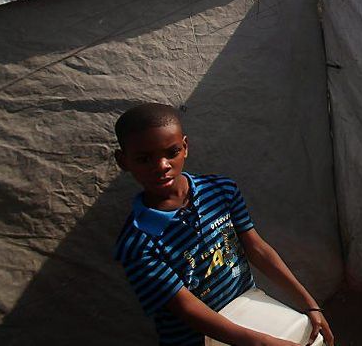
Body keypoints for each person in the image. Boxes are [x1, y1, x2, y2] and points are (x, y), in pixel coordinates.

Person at [112, 103, 335, 346]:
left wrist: (310, 305)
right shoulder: (137, 244)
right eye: (144, 159)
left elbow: (258, 250)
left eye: (172, 152)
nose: (162, 166)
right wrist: (261, 343)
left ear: (185, 147)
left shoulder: (219, 191)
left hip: (248, 306)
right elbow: (186, 308)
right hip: (196, 339)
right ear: (123, 161)